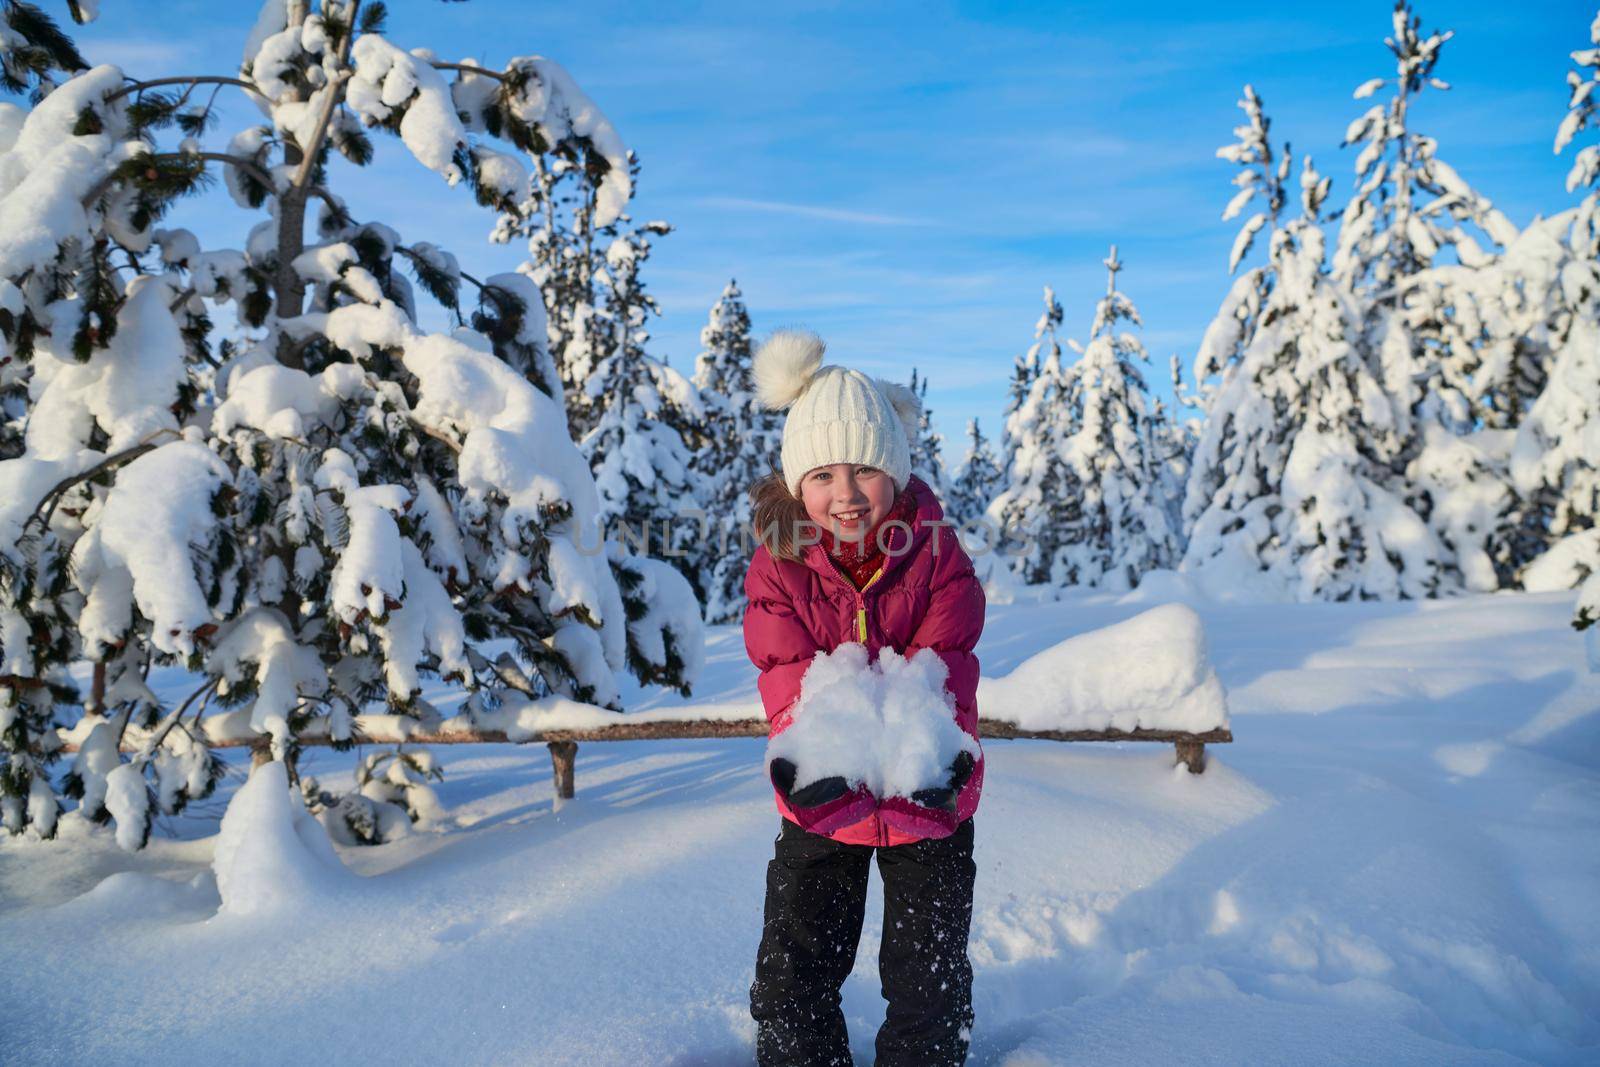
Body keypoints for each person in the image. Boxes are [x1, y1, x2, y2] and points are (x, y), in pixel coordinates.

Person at [742, 328, 986, 1067]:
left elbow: (948, 655)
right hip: (826, 793)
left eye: (864, 471)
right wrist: (812, 747)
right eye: (822, 475)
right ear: (795, 483)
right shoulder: (780, 562)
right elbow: (781, 662)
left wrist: (931, 751)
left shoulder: (934, 548)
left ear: (897, 473)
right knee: (795, 967)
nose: (844, 493)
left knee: (928, 977)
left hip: (924, 794)